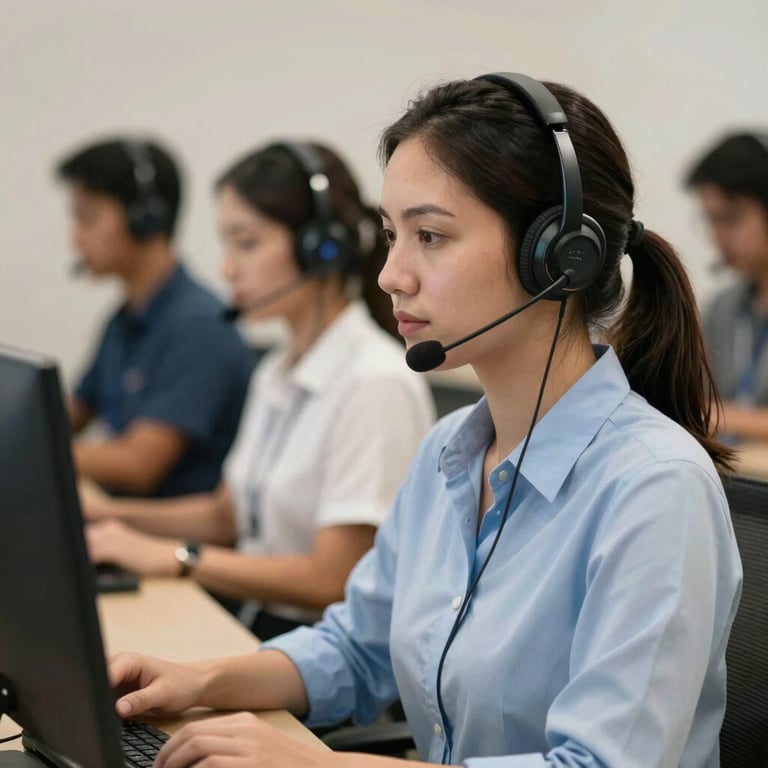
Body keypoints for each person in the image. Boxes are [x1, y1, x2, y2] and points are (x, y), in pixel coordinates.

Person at [104, 75, 742, 767]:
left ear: (559, 255)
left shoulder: (654, 489)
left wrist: (324, 765)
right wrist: (203, 679)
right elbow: (355, 646)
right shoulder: (452, 451)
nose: (390, 275)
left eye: (430, 236)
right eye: (389, 235)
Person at [82, 140, 436, 640]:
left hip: (323, 659)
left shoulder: (374, 383)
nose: (226, 267)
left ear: (321, 248)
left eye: (245, 243)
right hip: (256, 629)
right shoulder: (276, 369)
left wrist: (177, 558)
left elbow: (333, 578)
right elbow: (226, 515)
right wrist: (109, 518)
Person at [57, 137, 252, 498]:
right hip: (120, 531)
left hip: (165, 543)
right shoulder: (123, 320)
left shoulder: (200, 326)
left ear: (144, 218)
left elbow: (138, 466)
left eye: (88, 218)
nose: (76, 239)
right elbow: (64, 416)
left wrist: (41, 452)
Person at [685, 131, 768, 442]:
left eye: (730, 219)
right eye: (710, 221)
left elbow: (706, 413)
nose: (717, 236)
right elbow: (699, 400)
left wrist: (720, 416)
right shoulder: (723, 306)